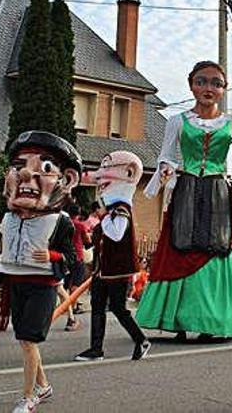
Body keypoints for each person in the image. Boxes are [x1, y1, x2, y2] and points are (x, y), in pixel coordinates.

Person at [137, 61, 232, 341]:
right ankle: (178, 320)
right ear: (191, 85)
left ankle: (213, 322)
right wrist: (164, 170)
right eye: (201, 81)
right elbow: (166, 155)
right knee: (181, 245)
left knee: (217, 247)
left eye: (215, 83)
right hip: (186, 188)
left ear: (224, 89)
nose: (208, 88)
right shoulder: (177, 121)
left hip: (217, 191)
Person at [0, 130, 80, 413]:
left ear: (67, 180)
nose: (26, 174)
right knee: (25, 341)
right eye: (18, 166)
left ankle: (28, 397)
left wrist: (51, 255)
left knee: (28, 341)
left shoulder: (60, 222)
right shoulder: (8, 220)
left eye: (45, 168)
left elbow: (73, 259)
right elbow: (1, 255)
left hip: (42, 287)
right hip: (17, 285)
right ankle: (44, 385)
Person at [75, 150, 151, 362]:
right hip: (104, 270)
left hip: (118, 271)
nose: (101, 179)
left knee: (118, 309)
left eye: (108, 170)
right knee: (98, 308)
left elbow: (116, 234)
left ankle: (141, 340)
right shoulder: (112, 209)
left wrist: (103, 216)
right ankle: (96, 349)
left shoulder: (121, 209)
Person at [63, 203, 89, 324]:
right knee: (76, 284)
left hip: (65, 257)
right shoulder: (80, 225)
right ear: (78, 214)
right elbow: (87, 240)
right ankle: (72, 308)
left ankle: (66, 307)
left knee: (65, 285)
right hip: (78, 256)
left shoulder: (63, 223)